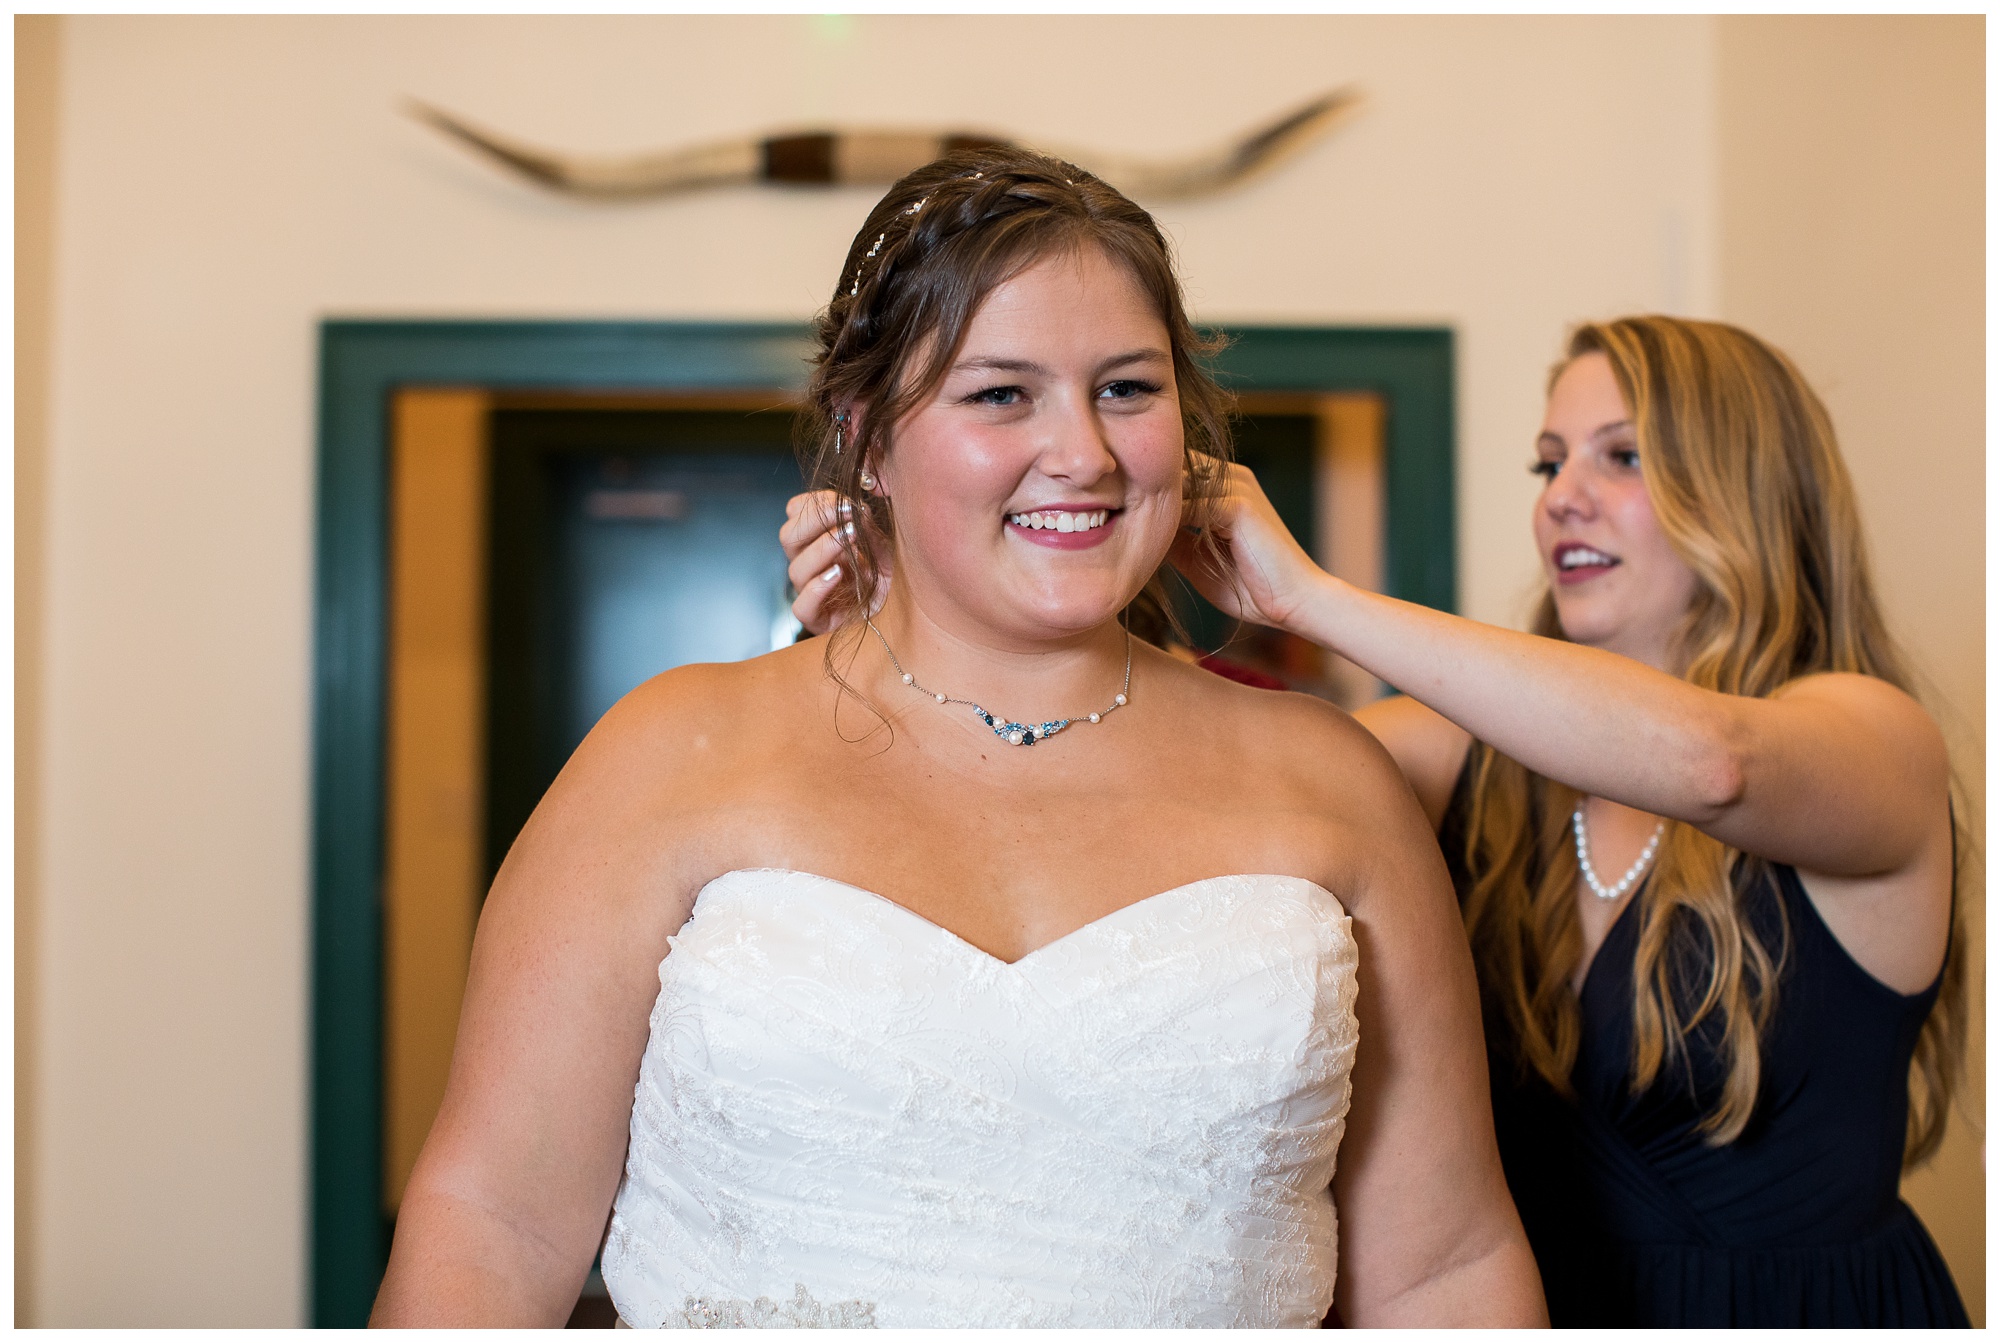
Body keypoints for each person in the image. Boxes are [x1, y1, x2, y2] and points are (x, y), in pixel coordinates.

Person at [370, 148, 1545, 1328]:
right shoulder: (670, 751)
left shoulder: (1327, 781)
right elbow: (496, 1220)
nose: (1081, 452)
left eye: (1127, 388)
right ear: (867, 435)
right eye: (1000, 393)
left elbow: (1443, 1265)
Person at [785, 314, 1970, 1327]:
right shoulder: (1465, 760)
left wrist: (1309, 596)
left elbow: (1710, 762)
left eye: (1621, 456)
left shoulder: (1872, 743)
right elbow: (1164, 797)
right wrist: (935, 610)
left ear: (1748, 486)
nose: (1563, 494)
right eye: (1549, 460)